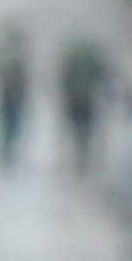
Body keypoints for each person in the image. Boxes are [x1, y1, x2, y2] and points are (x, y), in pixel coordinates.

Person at [57, 32, 114, 177]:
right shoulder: (92, 56)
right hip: (86, 98)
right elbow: (103, 75)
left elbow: (64, 73)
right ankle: (81, 155)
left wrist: (63, 92)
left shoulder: (73, 55)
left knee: (77, 127)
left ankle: (78, 156)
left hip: (75, 97)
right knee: (85, 129)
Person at [0, 18, 33, 168]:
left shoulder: (4, 54)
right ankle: (8, 152)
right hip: (13, 95)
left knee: (6, 124)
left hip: (5, 95)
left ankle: (6, 151)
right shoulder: (18, 55)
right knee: (12, 124)